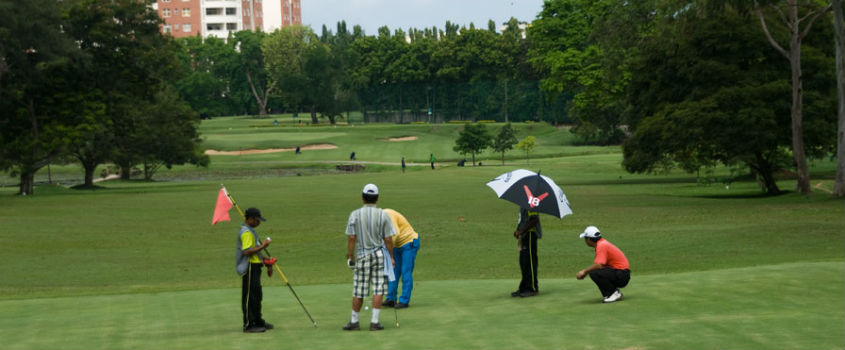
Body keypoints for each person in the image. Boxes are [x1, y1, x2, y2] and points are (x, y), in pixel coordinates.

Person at [343, 184, 396, 331]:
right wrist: (391, 257)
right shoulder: (383, 214)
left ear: (362, 197)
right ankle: (374, 322)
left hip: (362, 255)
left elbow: (352, 238)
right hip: (379, 255)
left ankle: (354, 322)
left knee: (359, 289)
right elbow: (388, 239)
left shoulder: (355, 214)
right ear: (377, 198)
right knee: (378, 289)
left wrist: (350, 255)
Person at [236, 207, 274, 333]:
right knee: (250, 296)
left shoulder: (251, 231)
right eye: (257, 220)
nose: (259, 223)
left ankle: (258, 320)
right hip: (250, 267)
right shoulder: (246, 232)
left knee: (257, 295)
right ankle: (248, 324)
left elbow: (255, 252)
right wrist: (264, 245)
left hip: (256, 265)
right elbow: (247, 252)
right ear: (250, 219)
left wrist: (265, 259)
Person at [576, 226, 630, 303]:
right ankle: (614, 293)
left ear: (588, 239)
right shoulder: (602, 243)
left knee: (594, 273)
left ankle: (612, 294)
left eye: (585, 238)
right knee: (596, 271)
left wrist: (584, 272)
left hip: (622, 276)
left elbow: (599, 265)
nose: (585, 241)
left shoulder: (601, 246)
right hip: (621, 274)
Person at [382, 209, 420, 309]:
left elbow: (395, 234)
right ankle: (391, 298)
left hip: (409, 242)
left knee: (405, 271)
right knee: (393, 271)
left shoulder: (388, 215)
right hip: (396, 245)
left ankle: (404, 300)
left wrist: (388, 251)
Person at [512, 207, 541, 297]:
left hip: (530, 235)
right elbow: (522, 219)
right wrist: (518, 230)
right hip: (524, 236)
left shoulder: (532, 203)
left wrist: (521, 231)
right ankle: (524, 287)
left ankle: (532, 288)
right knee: (524, 262)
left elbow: (534, 219)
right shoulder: (524, 202)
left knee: (530, 262)